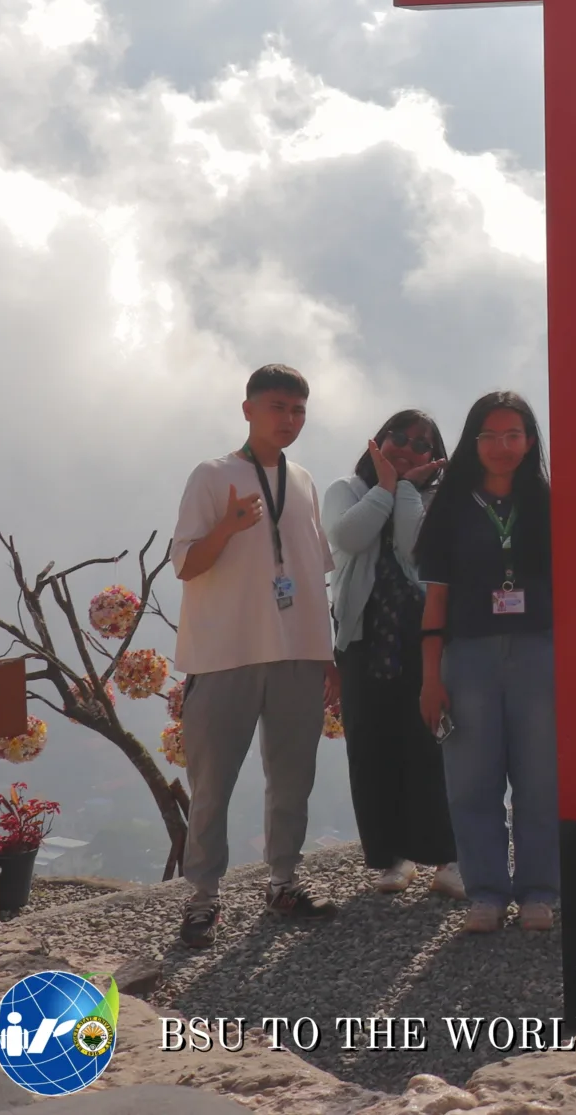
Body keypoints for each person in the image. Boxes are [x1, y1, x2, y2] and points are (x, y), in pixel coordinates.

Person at [169, 363, 341, 949]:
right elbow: (187, 564)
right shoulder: (213, 476)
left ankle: (283, 881)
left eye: (297, 411)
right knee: (212, 783)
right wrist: (229, 527)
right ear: (247, 410)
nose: (288, 420)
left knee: (293, 777)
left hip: (296, 653)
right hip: (224, 656)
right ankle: (202, 900)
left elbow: (313, 575)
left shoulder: (305, 481)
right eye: (276, 407)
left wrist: (327, 655)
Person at [413, 393, 558, 933]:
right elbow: (436, 600)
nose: (502, 447)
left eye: (514, 435)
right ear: (473, 442)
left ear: (530, 440)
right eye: (490, 436)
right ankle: (487, 893)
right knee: (471, 782)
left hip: (539, 653)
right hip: (467, 655)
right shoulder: (450, 506)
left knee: (540, 779)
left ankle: (541, 890)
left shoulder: (548, 502)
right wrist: (431, 677)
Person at [321, 408, 458, 900]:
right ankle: (391, 858)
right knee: (371, 749)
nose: (405, 446)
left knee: (435, 745)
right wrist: (384, 486)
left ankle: (450, 855)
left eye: (420, 444)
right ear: (377, 439)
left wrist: (403, 489)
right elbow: (348, 536)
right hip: (362, 641)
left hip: (426, 640)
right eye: (397, 435)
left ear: (434, 457)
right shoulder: (346, 490)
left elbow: (412, 548)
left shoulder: (439, 499)